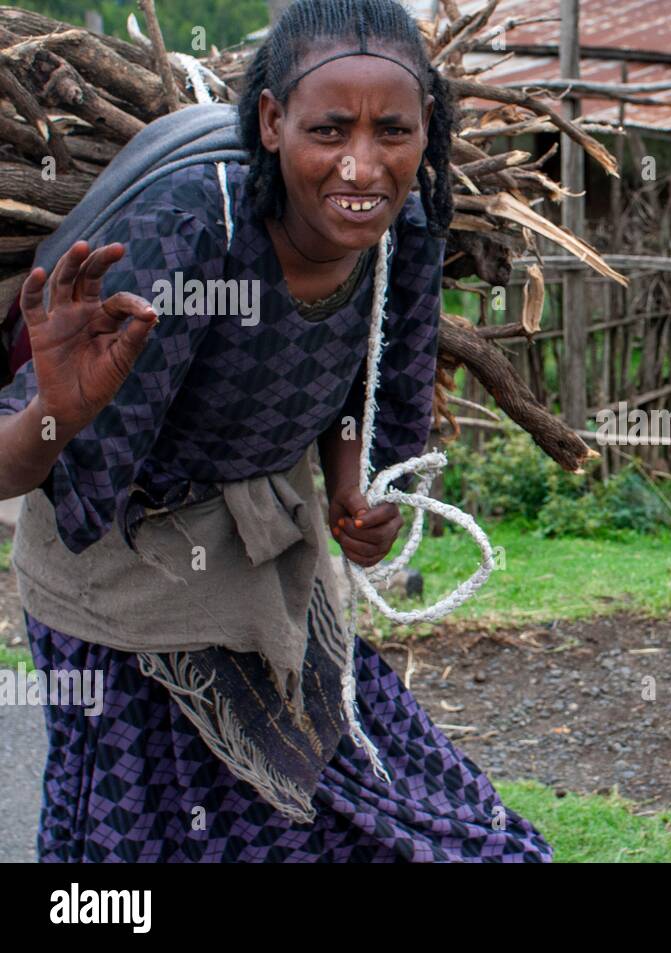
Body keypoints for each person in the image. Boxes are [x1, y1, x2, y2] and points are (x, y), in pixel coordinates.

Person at [0, 0, 552, 862]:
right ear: (270, 121)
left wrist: (349, 491)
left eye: (393, 132)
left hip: (273, 574)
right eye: (329, 129)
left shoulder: (403, 229)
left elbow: (355, 390)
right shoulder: (192, 228)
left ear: (427, 133)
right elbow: (20, 464)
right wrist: (55, 412)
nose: (362, 165)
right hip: (122, 602)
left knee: (417, 827)